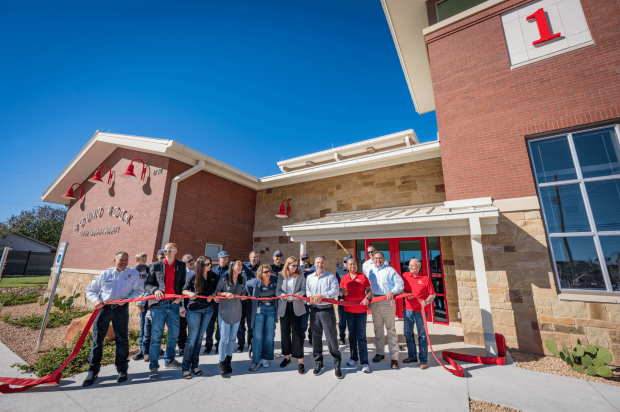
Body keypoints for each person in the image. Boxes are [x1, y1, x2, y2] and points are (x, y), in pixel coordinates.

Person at [82, 252, 144, 387]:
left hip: (121, 309)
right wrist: (96, 300)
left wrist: (127, 300)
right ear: (114, 260)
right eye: (121, 260)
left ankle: (122, 369)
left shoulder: (133, 274)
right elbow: (91, 290)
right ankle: (93, 371)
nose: (123, 262)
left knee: (122, 339)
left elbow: (139, 290)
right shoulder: (105, 274)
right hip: (103, 308)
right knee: (97, 340)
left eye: (126, 260)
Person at [145, 243, 187, 381]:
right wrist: (155, 290)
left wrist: (179, 299)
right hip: (159, 305)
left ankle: (169, 360)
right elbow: (148, 284)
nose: (167, 252)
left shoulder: (181, 265)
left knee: (174, 335)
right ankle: (153, 366)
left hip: (174, 305)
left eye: (170, 250)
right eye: (165, 250)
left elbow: (183, 285)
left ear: (176, 251)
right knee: (156, 336)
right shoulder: (155, 265)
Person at [306, 255, 343, 379]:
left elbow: (335, 291)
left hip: (327, 311)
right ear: (314, 264)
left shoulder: (331, 277)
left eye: (321, 263)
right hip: (314, 311)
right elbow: (308, 292)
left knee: (331, 340)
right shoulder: (309, 278)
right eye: (317, 263)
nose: (319, 265)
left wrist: (322, 295)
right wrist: (312, 298)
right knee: (316, 339)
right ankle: (318, 363)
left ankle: (337, 364)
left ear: (325, 264)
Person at [181, 256, 218, 379]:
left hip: (208, 309)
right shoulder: (194, 276)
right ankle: (185, 367)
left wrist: (212, 295)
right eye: (207, 264)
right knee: (192, 338)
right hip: (194, 310)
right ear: (200, 265)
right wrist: (190, 293)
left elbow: (216, 291)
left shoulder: (213, 275)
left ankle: (195, 365)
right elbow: (184, 290)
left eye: (210, 264)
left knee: (199, 339)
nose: (209, 266)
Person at [367, 251, 404, 369]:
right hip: (374, 301)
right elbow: (367, 287)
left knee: (391, 329)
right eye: (375, 258)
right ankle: (380, 353)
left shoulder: (390, 270)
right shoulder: (370, 271)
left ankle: (394, 358)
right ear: (373, 260)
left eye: (380, 258)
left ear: (384, 259)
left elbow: (400, 284)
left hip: (387, 302)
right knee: (378, 329)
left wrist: (392, 291)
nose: (378, 260)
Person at [216, 259, 248, 378]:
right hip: (224, 312)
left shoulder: (243, 279)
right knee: (224, 339)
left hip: (237, 312)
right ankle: (222, 364)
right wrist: (225, 294)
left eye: (241, 264)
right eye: (238, 264)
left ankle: (229, 361)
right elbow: (217, 292)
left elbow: (244, 292)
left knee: (233, 339)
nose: (240, 266)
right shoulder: (224, 278)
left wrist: (244, 296)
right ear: (232, 266)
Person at [339, 257, 372, 373]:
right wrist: (342, 292)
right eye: (351, 265)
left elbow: (369, 290)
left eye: (355, 265)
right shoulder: (344, 278)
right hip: (349, 310)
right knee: (352, 335)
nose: (353, 266)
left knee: (361, 335)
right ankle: (354, 357)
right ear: (347, 266)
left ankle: (364, 362)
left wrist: (367, 298)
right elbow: (341, 292)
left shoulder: (362, 277)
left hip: (361, 310)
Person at [402, 258, 435, 370]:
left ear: (419, 267)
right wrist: (406, 294)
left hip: (420, 312)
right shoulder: (405, 275)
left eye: (413, 265)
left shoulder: (425, 279)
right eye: (409, 265)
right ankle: (412, 356)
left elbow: (432, 294)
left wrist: (427, 301)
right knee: (407, 334)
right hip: (407, 310)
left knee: (422, 336)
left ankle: (423, 360)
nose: (410, 267)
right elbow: (400, 290)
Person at [276, 256, 307, 374]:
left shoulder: (300, 274)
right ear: (287, 265)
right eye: (293, 265)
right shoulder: (281, 275)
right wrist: (282, 295)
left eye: (296, 265)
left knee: (297, 333)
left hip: (296, 306)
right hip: (284, 306)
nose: (295, 267)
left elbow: (304, 289)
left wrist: (298, 295)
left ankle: (300, 361)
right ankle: (287, 357)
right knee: (284, 332)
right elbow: (277, 290)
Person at [246, 264, 278, 371]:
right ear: (260, 273)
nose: (268, 273)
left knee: (269, 335)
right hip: (260, 308)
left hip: (272, 309)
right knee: (258, 334)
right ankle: (256, 360)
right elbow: (247, 285)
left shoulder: (274, 279)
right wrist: (253, 296)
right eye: (265, 272)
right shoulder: (256, 281)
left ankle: (265, 358)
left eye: (269, 271)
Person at [205, 251, 229, 354]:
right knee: (210, 325)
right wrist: (214, 295)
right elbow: (210, 285)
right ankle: (208, 346)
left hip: (224, 302)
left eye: (227, 257)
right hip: (213, 302)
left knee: (221, 325)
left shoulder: (230, 270)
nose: (225, 259)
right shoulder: (213, 270)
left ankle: (219, 346)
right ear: (219, 259)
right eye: (223, 258)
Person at [240, 251, 260, 355]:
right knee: (240, 322)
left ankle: (250, 345)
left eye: (257, 257)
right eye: (254, 257)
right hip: (241, 299)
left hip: (252, 301)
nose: (256, 258)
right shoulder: (242, 266)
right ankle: (240, 344)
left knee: (251, 324)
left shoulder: (260, 269)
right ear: (249, 257)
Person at [133, 252, 151, 361]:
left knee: (148, 325)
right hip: (142, 294)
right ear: (137, 260)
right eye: (142, 259)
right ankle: (142, 349)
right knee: (143, 323)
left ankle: (147, 349)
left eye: (145, 258)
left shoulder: (147, 267)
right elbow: (137, 277)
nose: (144, 260)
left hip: (148, 293)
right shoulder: (136, 268)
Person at [177, 254, 195, 356]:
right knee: (182, 326)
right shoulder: (182, 273)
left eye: (192, 260)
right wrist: (181, 308)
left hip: (196, 302)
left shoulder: (199, 269)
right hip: (185, 302)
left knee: (193, 326)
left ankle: (191, 346)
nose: (192, 262)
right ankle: (182, 347)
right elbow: (180, 290)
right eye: (189, 261)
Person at [334, 255, 351, 344]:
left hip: (352, 299)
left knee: (351, 320)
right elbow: (336, 285)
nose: (346, 264)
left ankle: (352, 336)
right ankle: (342, 337)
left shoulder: (354, 272)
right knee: (342, 319)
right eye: (344, 262)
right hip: (342, 299)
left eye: (347, 262)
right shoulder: (338, 272)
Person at [299, 253, 315, 344]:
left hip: (312, 296)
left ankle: (311, 337)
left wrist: (303, 270)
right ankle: (302, 336)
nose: (305, 260)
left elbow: (313, 269)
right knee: (303, 319)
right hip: (303, 297)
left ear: (309, 258)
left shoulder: (314, 267)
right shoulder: (299, 268)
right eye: (303, 259)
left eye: (306, 258)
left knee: (313, 318)